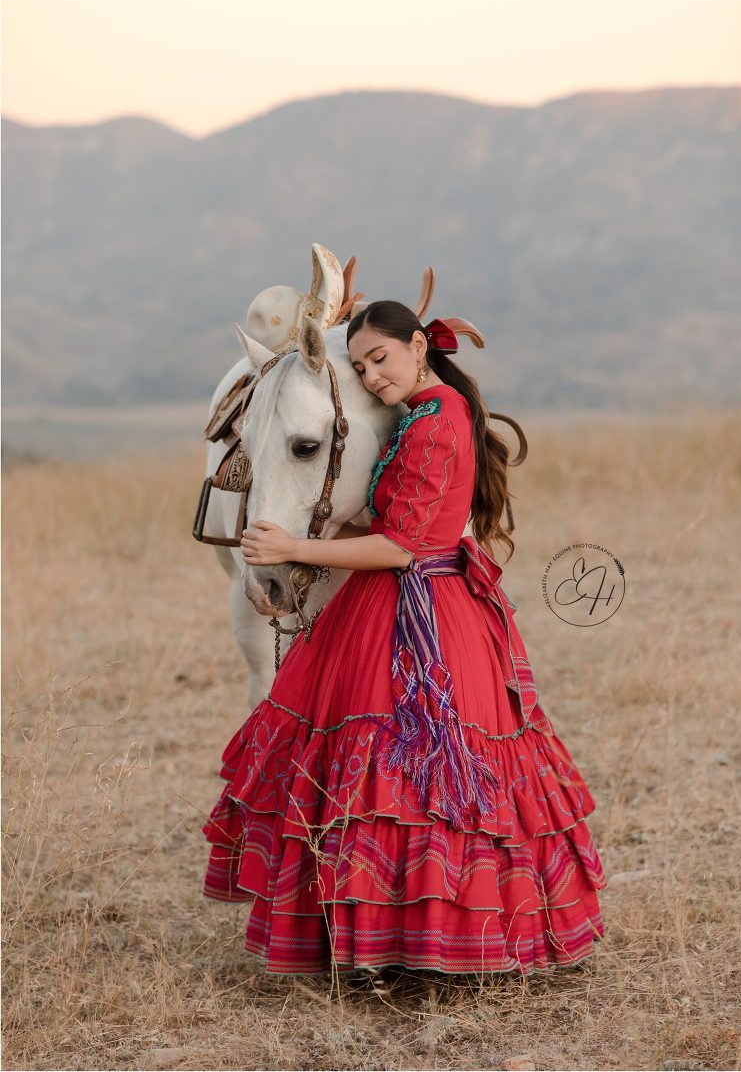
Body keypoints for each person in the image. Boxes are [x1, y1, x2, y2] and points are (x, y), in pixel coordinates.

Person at [201, 300, 607, 979]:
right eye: (359, 366)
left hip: (428, 604)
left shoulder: (439, 418)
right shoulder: (417, 414)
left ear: (419, 345)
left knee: (418, 767)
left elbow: (405, 544)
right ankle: (380, 936)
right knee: (381, 775)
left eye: (381, 357)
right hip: (393, 596)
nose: (372, 374)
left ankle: (440, 936)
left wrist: (296, 543)